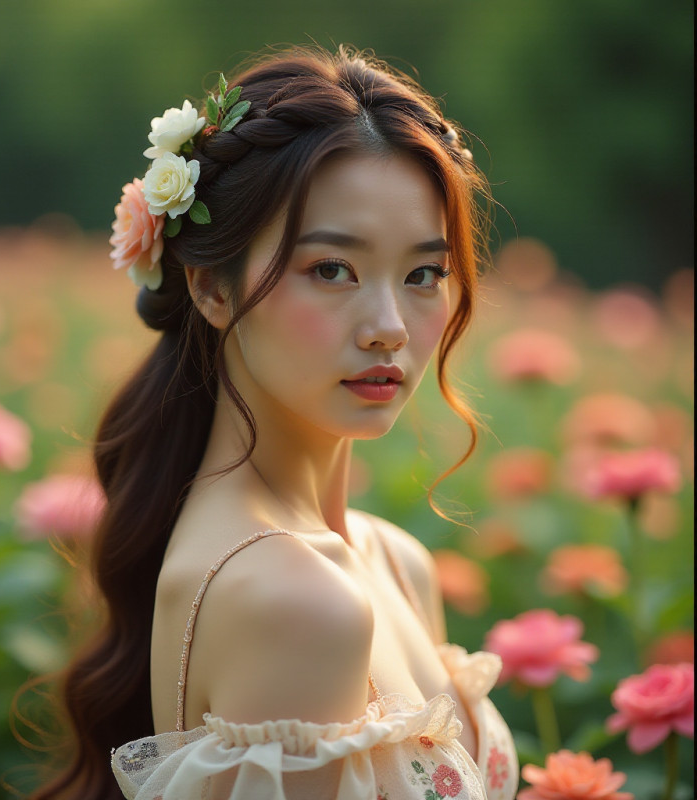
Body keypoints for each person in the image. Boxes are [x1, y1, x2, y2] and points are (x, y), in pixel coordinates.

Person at [32, 45, 519, 800]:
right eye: (331, 269)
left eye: (424, 273)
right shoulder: (293, 601)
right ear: (211, 290)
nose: (389, 326)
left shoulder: (393, 561)